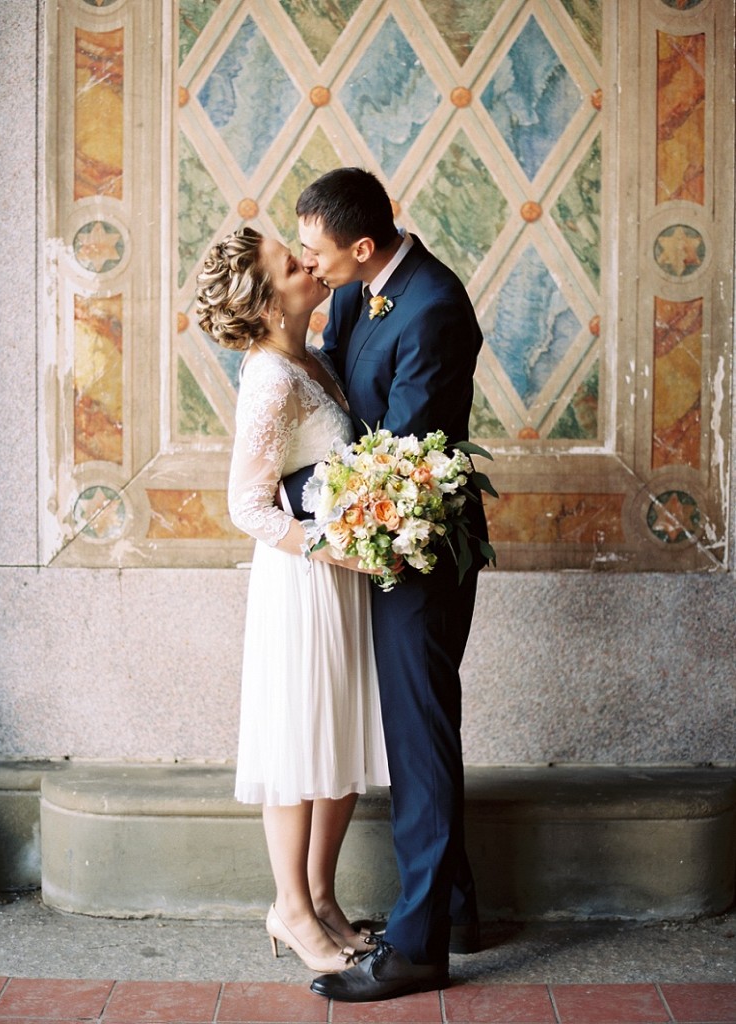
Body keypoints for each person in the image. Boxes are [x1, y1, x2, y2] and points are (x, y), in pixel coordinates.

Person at [281, 168, 489, 1002]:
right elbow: (331, 386)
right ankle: (460, 910)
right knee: (417, 732)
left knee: (418, 741)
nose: (308, 263)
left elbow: (396, 452)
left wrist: (284, 500)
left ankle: (416, 949)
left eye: (315, 251)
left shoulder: (434, 307)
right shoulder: (355, 289)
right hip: (377, 539)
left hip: (418, 550)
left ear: (361, 247)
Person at [195, 227, 389, 976]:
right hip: (302, 580)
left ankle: (323, 899)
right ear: (269, 300)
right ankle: (291, 911)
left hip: (336, 577)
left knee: (333, 746)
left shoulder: (310, 355)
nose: (310, 262)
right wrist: (339, 548)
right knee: (296, 748)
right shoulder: (270, 377)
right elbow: (248, 506)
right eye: (291, 262)